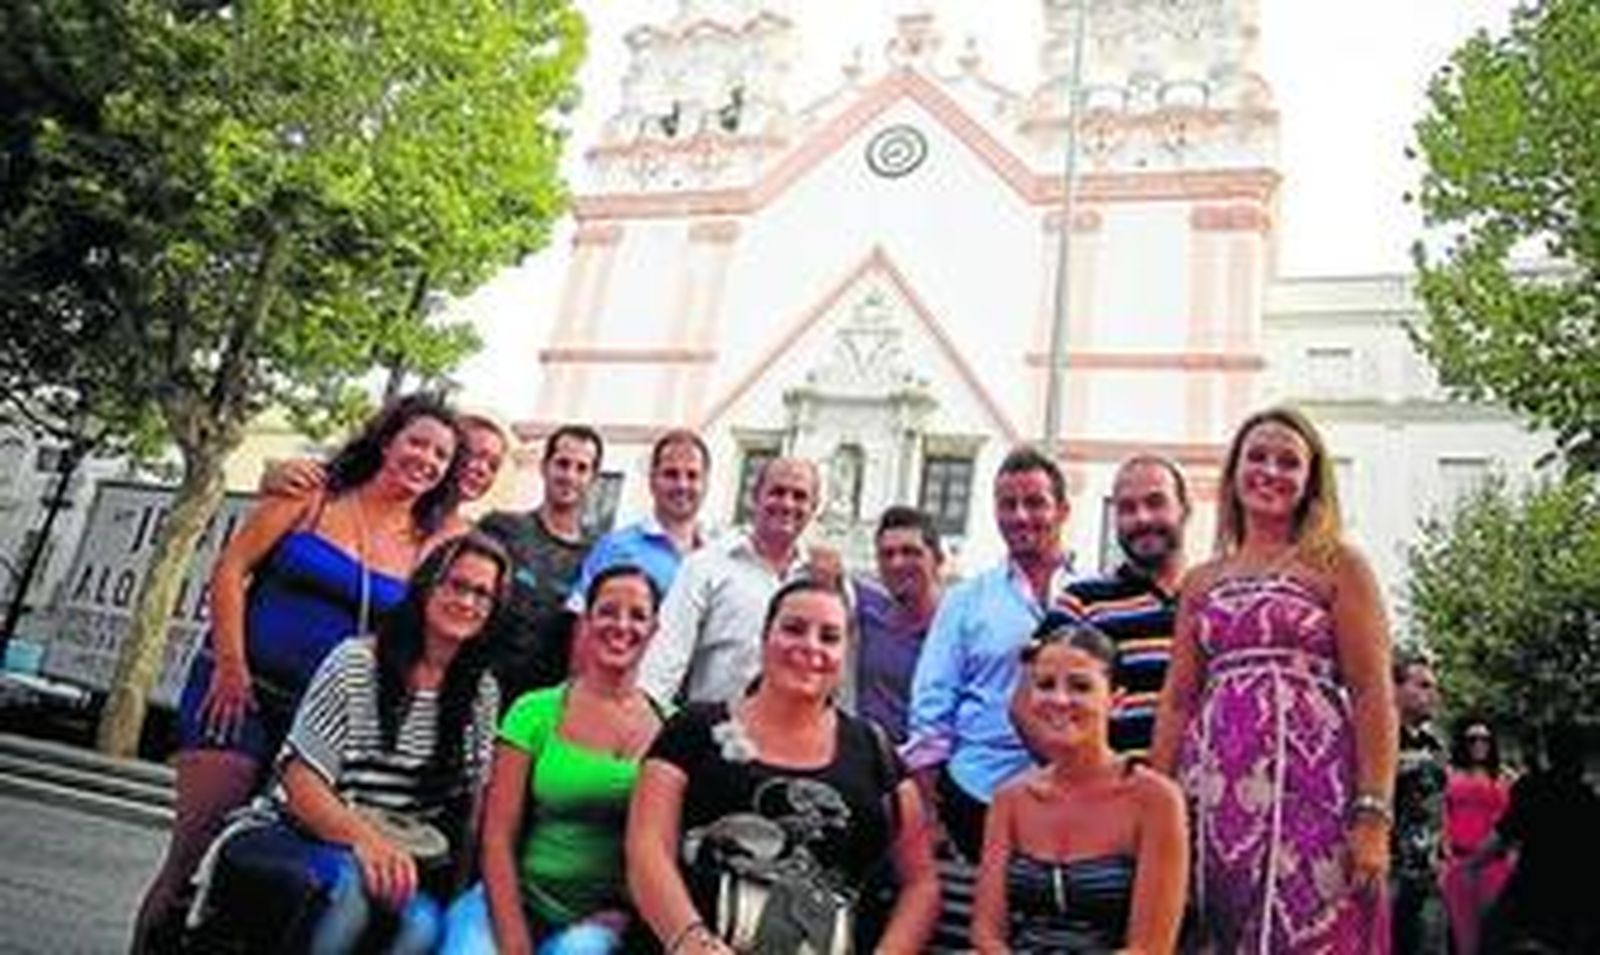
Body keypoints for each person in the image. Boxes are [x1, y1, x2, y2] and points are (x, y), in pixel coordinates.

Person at [134, 394, 465, 951]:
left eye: (440, 456)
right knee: (191, 858)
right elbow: (232, 568)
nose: (426, 460)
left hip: (325, 728)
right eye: (418, 443)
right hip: (240, 694)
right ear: (388, 441)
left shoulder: (432, 544)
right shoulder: (313, 495)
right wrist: (232, 665)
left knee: (287, 875)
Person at [187, 532, 508, 953]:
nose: (467, 602)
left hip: (399, 856)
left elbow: (472, 808)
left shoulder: (480, 693)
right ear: (427, 586)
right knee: (348, 899)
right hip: (307, 833)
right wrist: (365, 841)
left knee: (422, 927)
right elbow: (299, 782)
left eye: (482, 594)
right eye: (457, 585)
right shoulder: (356, 662)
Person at [1149, 406, 1396, 952]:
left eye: (1289, 462)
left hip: (1315, 793)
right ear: (1235, 470)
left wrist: (1374, 814)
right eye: (1257, 456)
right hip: (1209, 795)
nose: (1271, 471)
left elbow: (1374, 691)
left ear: (1311, 481)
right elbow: (1177, 702)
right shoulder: (1200, 580)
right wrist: (1155, 800)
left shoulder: (1338, 565)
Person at [627, 580, 941, 954]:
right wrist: (690, 940)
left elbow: (921, 883)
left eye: (829, 637)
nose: (810, 646)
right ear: (764, 637)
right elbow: (647, 847)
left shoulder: (875, 751)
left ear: (845, 653)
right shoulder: (694, 729)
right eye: (793, 629)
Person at [441, 564, 669, 954]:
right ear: (586, 620)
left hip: (598, 922)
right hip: (512, 899)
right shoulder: (535, 710)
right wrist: (513, 941)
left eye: (638, 616)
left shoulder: (670, 729)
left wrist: (627, 912)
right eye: (608, 611)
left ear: (655, 629)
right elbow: (496, 836)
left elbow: (661, 848)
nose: (622, 625)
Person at [973, 615, 1187, 954]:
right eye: (1045, 685)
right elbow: (986, 932)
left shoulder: (1156, 800)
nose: (1059, 700)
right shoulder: (1010, 799)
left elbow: (1150, 947)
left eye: (1080, 686)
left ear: (1116, 702)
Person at [904, 446, 1075, 864]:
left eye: (1034, 502)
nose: (1020, 516)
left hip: (1073, 802)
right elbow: (931, 712)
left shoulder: (1091, 593)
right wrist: (930, 816)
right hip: (978, 796)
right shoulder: (965, 601)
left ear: (1064, 510)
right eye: (1007, 504)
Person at [639, 456, 821, 705]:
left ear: (814, 507)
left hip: (798, 737)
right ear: (755, 497)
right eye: (777, 492)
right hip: (714, 735)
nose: (787, 504)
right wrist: (645, 720)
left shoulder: (822, 579)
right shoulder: (706, 566)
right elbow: (664, 662)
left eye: (800, 496)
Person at [1053, 455, 1189, 758]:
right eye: (1127, 508)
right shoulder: (1081, 602)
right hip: (1110, 800)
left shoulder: (1214, 601)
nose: (1142, 518)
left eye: (1156, 503)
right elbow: (1028, 707)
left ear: (1184, 509)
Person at [478, 424, 603, 704]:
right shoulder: (500, 529)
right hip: (479, 691)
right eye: (562, 464)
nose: (570, 476)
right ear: (544, 467)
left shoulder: (598, 556)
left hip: (544, 708)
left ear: (594, 479)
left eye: (582, 468)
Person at [259, 410, 510, 529]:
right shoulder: (328, 490)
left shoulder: (467, 536)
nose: (481, 470)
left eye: (493, 466)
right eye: (473, 456)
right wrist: (272, 478)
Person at [1475, 722, 1600, 954]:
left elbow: (1503, 835)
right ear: (1580, 756)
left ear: (1550, 753)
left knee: (1489, 935)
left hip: (1532, 900)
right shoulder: (1588, 798)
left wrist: (1470, 864)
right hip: (1580, 906)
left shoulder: (1532, 787)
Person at [568, 429, 709, 607]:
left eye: (692, 475)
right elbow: (580, 618)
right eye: (671, 474)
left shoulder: (717, 556)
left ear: (705, 484)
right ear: (652, 480)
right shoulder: (614, 547)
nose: (682, 485)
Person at [851, 506, 943, 743]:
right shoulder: (865, 610)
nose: (897, 563)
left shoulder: (958, 634)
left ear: (939, 559)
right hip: (867, 765)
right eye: (887, 554)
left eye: (910, 552)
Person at [1441, 718, 1513, 955]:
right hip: (1459, 862)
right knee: (1463, 938)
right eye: (1472, 739)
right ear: (1463, 743)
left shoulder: (1505, 777)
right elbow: (1441, 813)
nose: (1479, 744)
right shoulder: (1449, 774)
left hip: (1497, 864)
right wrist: (1442, 856)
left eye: (1485, 739)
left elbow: (1514, 822)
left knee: (1495, 935)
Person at [1391, 651, 1448, 954]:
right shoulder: (1374, 737)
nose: (1433, 695)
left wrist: (1443, 851)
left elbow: (1438, 802)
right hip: (1386, 871)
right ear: (1395, 688)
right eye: (1423, 686)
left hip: (1428, 875)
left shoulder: (1436, 745)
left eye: (1435, 687)